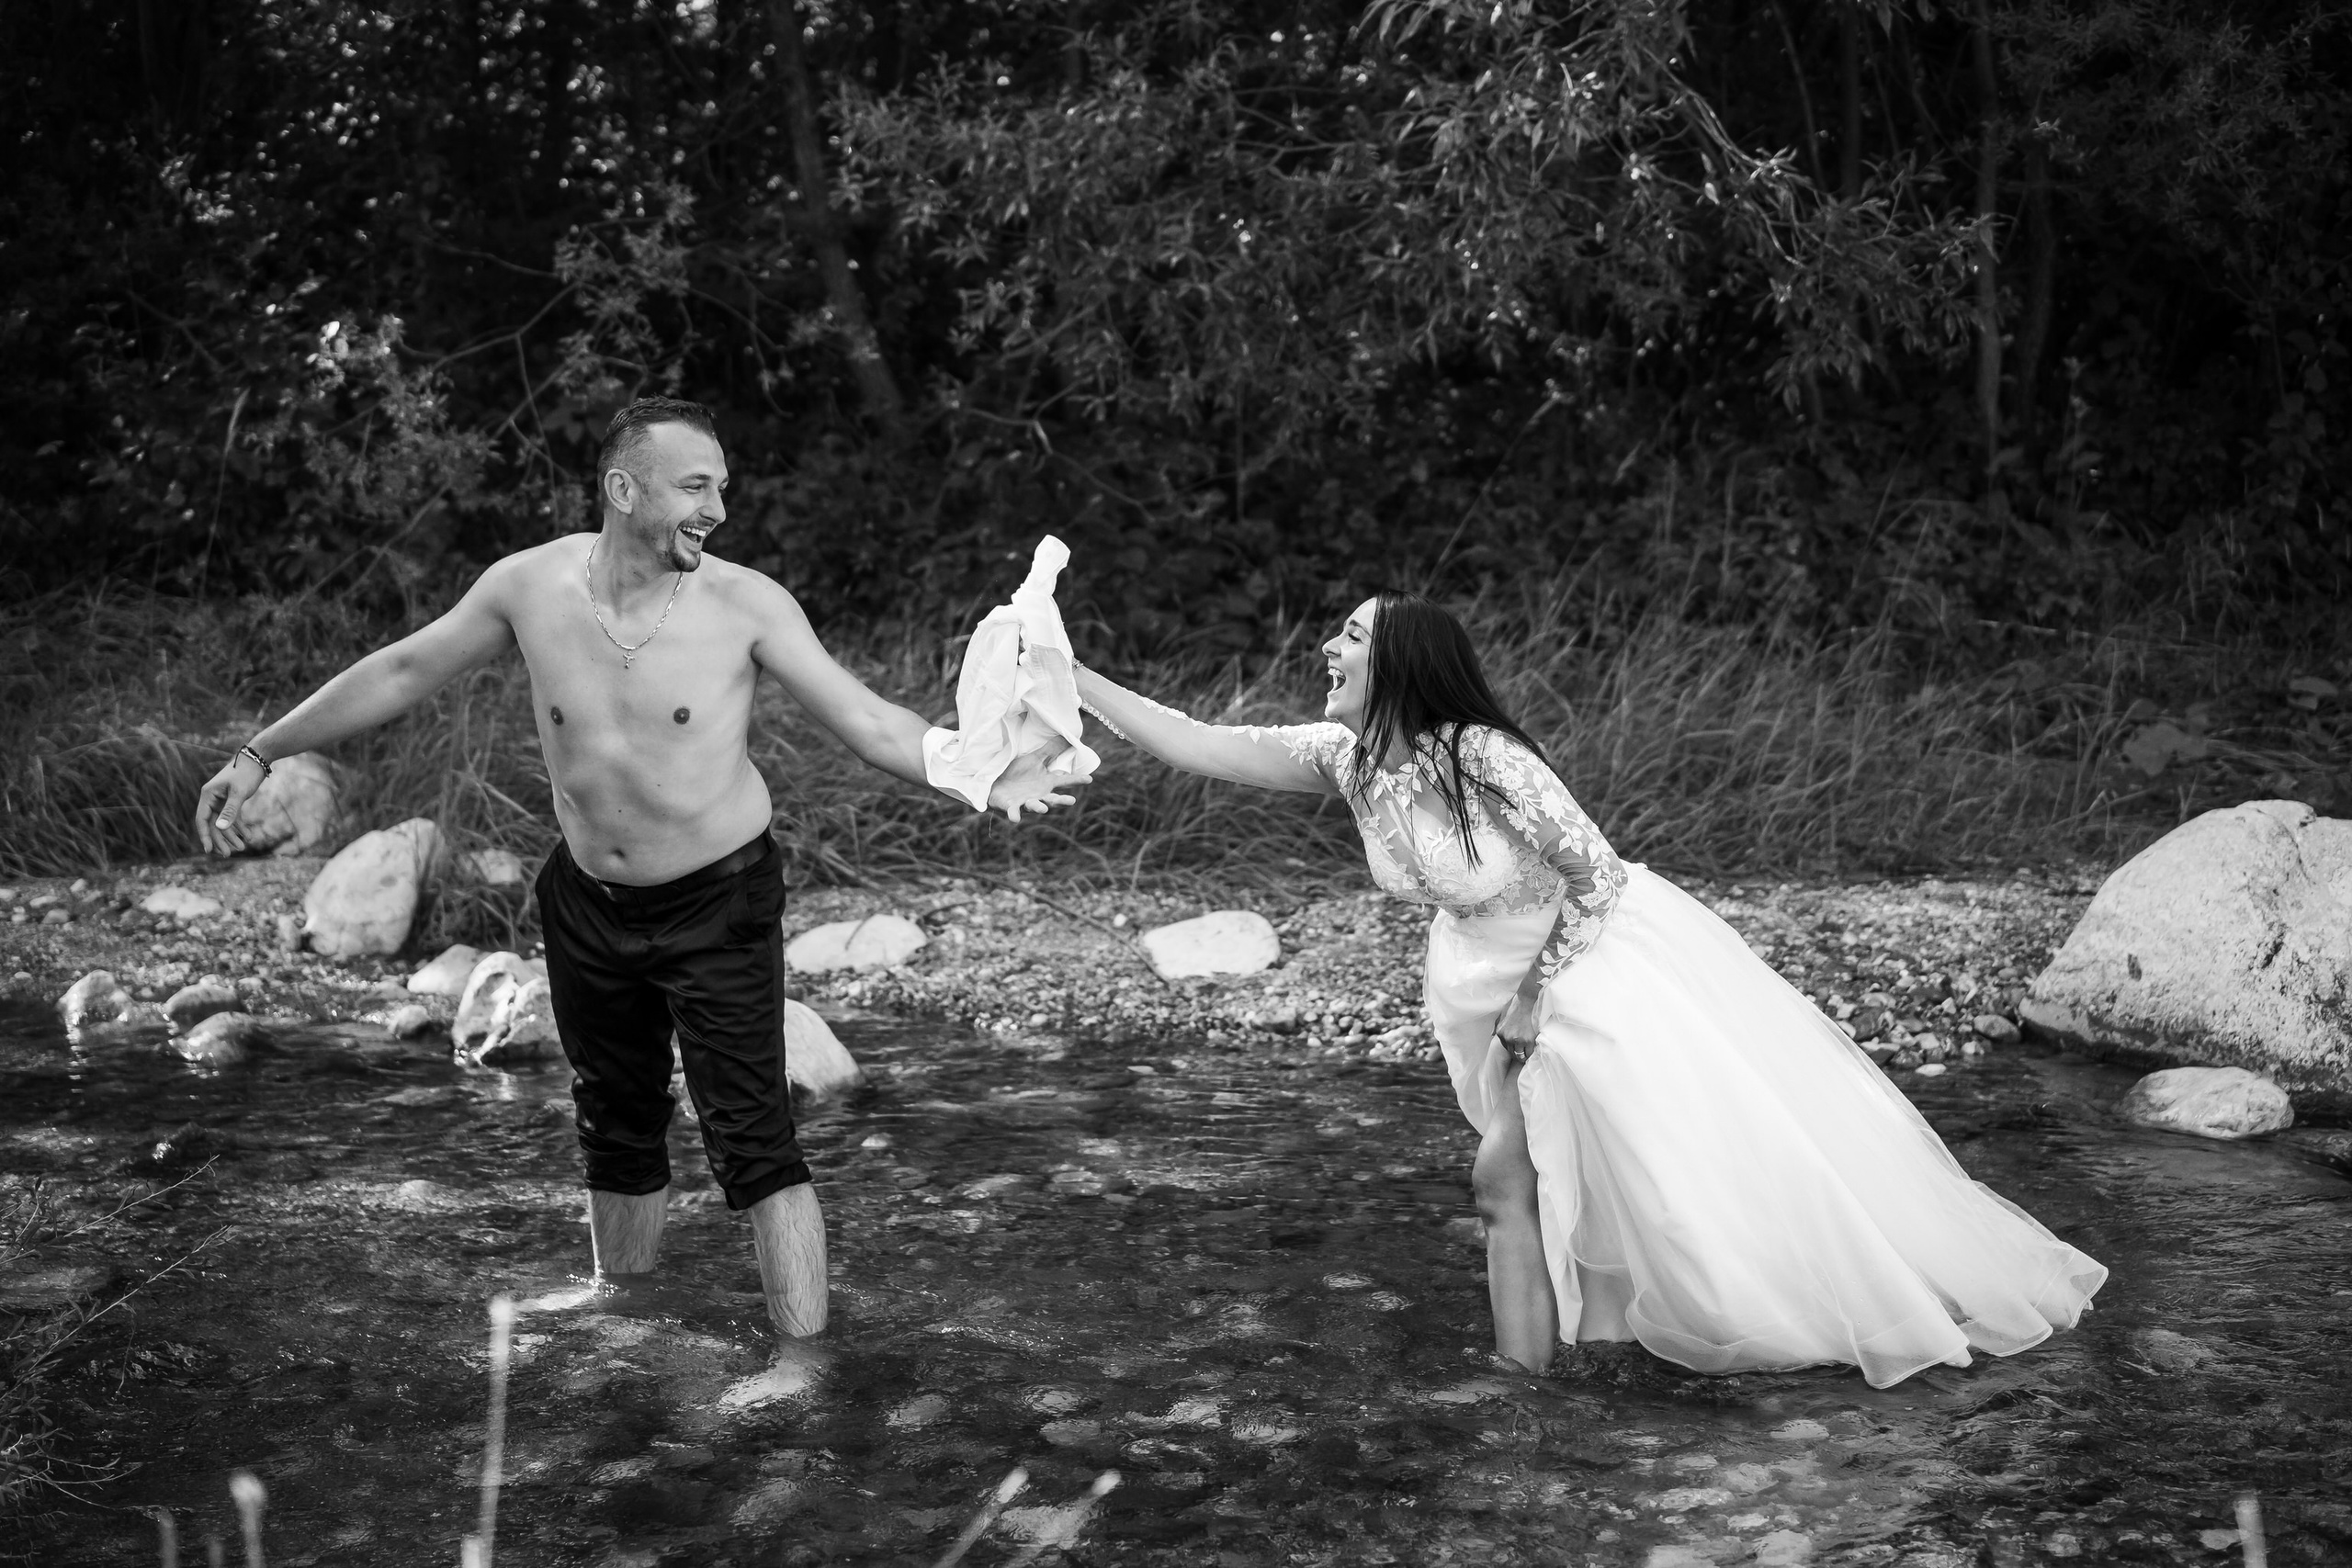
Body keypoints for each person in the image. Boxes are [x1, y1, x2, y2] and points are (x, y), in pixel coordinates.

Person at [194, 396, 1088, 1341]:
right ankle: (622, 1306)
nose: (719, 510)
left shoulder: (745, 605)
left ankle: (802, 1365)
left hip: (720, 901)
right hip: (586, 900)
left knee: (751, 1137)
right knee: (612, 1117)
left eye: (723, 489)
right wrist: (261, 750)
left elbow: (871, 723)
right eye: (696, 487)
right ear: (624, 488)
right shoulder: (528, 587)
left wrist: (980, 773)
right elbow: (402, 670)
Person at [1072, 590, 2106, 1387]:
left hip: (1590, 966)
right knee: (1578, 1183)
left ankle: (1536, 1383)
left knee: (1513, 1181)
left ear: (1402, 660)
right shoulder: (1348, 762)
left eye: (1349, 636)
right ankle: (1578, 1367)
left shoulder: (1480, 757)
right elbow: (1194, 740)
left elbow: (1597, 874)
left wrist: (1535, 1003)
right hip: (1477, 980)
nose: (1328, 652)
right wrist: (1070, 676)